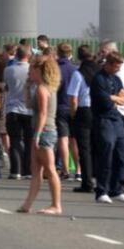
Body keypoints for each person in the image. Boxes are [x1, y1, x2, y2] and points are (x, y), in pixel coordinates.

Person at [17, 55, 62, 215]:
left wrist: (36, 135)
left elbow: (43, 113)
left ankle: (56, 205)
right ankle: (27, 204)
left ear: (39, 70)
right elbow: (30, 105)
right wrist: (27, 89)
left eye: (31, 70)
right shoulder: (43, 87)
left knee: (49, 169)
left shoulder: (43, 89)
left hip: (44, 132)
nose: (29, 73)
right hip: (42, 130)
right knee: (36, 170)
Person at [92, 52, 124, 204]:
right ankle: (102, 190)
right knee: (107, 150)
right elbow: (104, 100)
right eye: (116, 66)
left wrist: (116, 98)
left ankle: (118, 189)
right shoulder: (98, 79)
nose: (117, 69)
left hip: (117, 118)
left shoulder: (117, 79)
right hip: (103, 118)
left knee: (123, 153)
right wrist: (114, 98)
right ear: (108, 64)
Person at [67, 45, 97, 192]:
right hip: (98, 110)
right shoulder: (99, 71)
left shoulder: (78, 74)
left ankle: (87, 182)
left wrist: (73, 114)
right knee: (98, 147)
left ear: (79, 57)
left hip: (83, 111)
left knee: (84, 149)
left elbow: (73, 98)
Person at [4, 46, 34, 179]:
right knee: (29, 141)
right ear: (29, 56)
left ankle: (15, 170)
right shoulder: (32, 70)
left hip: (13, 108)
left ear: (16, 55)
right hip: (29, 109)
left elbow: (7, 86)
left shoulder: (9, 70)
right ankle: (28, 170)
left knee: (15, 140)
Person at [54, 43, 77, 178]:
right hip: (73, 106)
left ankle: (65, 169)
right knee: (74, 140)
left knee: (62, 138)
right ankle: (79, 170)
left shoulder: (56, 69)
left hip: (60, 105)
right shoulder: (74, 69)